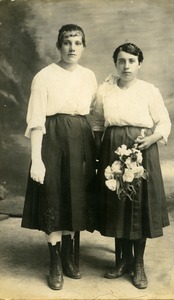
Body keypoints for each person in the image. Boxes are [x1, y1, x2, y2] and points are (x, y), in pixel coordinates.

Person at [21, 24, 97, 290]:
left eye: (77, 42)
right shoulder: (44, 76)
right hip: (52, 140)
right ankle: (54, 261)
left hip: (81, 141)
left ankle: (69, 257)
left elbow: (93, 115)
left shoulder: (89, 76)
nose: (72, 48)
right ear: (59, 46)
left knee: (75, 197)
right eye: (67, 42)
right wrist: (38, 159)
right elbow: (36, 122)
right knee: (53, 196)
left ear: (84, 46)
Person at [93, 42, 171, 289]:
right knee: (118, 204)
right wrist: (99, 151)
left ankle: (138, 264)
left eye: (131, 61)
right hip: (112, 149)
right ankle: (121, 261)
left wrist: (150, 139)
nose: (126, 66)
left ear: (139, 64)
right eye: (121, 61)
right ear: (115, 63)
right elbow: (96, 123)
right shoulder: (104, 90)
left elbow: (164, 123)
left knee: (137, 206)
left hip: (141, 151)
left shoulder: (149, 90)